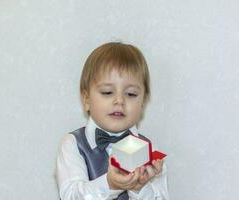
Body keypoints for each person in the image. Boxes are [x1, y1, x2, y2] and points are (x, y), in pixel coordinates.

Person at [56, 42, 169, 199]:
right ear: (87, 99)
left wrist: (139, 189)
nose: (119, 101)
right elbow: (71, 195)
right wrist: (110, 184)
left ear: (143, 102)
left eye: (131, 94)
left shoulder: (149, 151)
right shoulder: (73, 144)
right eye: (107, 92)